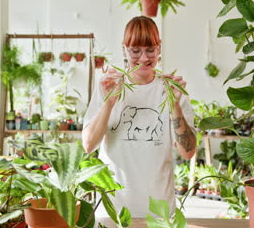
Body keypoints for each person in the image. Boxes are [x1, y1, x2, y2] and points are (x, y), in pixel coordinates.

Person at [82, 16, 196, 218]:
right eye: (136, 50)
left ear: (159, 49)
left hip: (159, 213)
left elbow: (188, 152)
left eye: (150, 49)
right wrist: (109, 102)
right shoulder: (108, 86)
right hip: (112, 213)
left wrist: (175, 105)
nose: (143, 58)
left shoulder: (171, 89)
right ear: (124, 48)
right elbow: (89, 145)